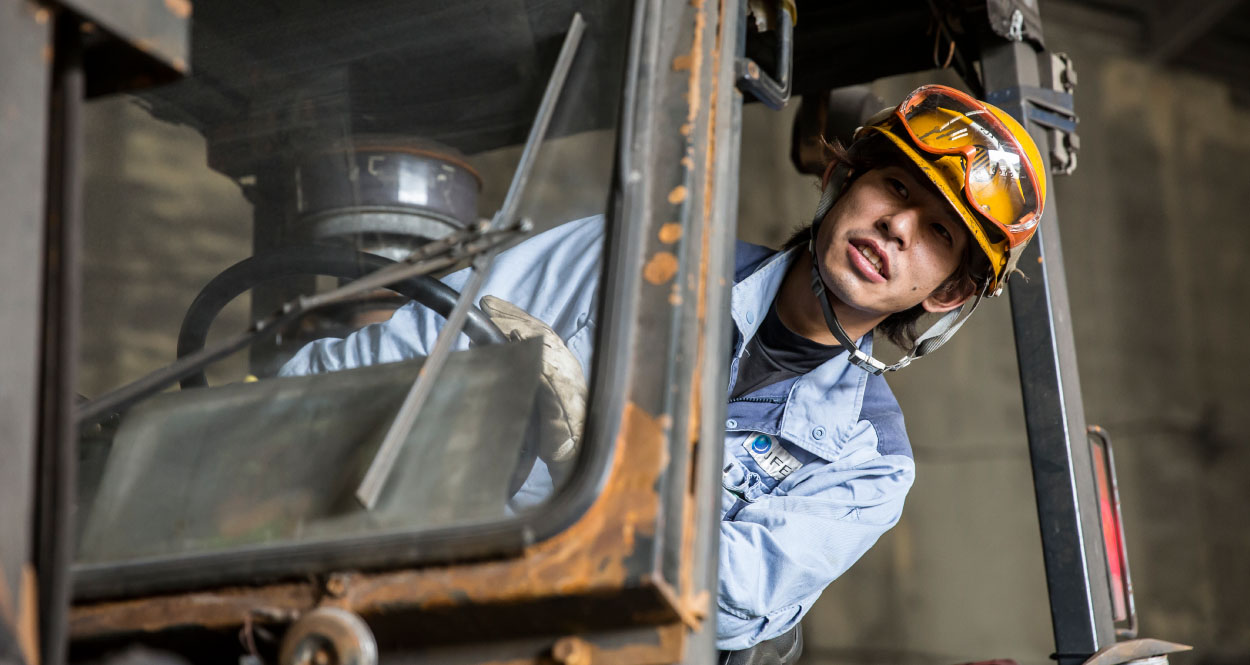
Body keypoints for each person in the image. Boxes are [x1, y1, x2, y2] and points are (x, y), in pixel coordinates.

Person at [279, 84, 1047, 654]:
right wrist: (257, 425)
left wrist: (597, 463)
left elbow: (736, 602)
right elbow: (401, 352)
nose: (897, 226)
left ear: (945, 292)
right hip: (415, 598)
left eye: (937, 231)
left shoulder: (870, 463)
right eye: (896, 185)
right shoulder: (631, 257)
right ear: (845, 181)